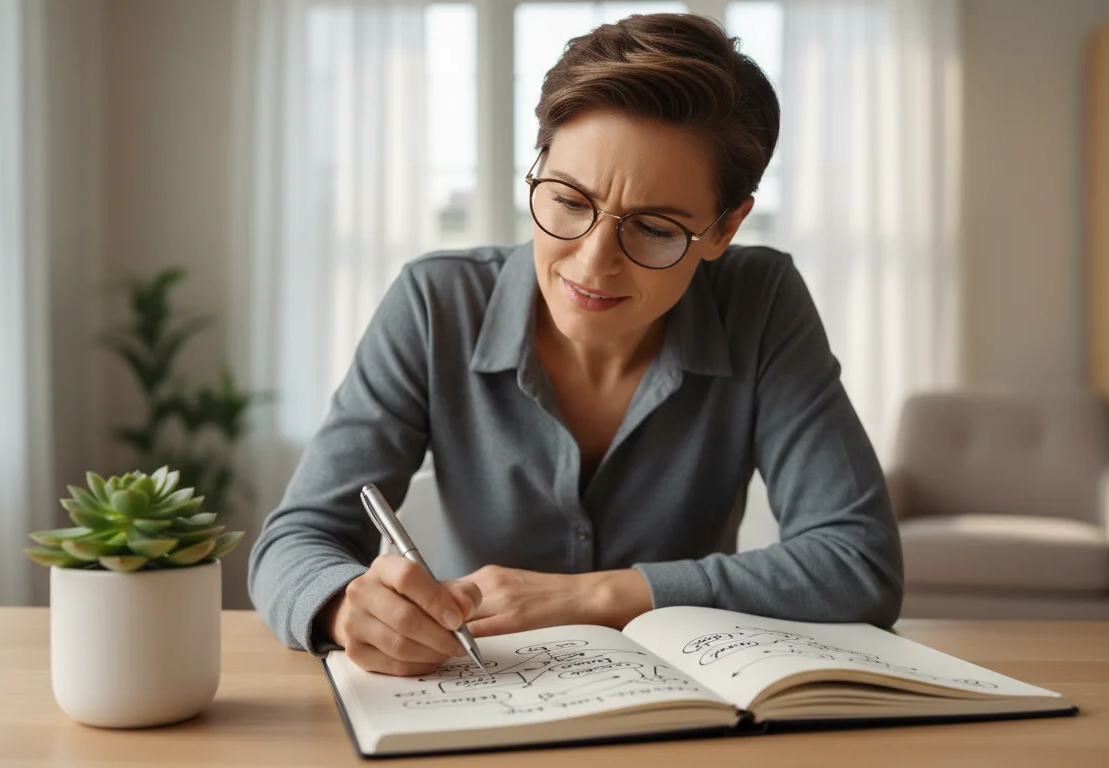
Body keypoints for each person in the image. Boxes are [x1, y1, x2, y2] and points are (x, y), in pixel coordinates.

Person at [248, 12, 903, 677]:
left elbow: (859, 562)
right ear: (537, 169)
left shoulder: (760, 304)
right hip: (477, 694)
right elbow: (295, 543)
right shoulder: (434, 304)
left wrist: (596, 595)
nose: (592, 265)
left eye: (652, 227)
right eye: (567, 200)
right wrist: (343, 605)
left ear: (725, 227)